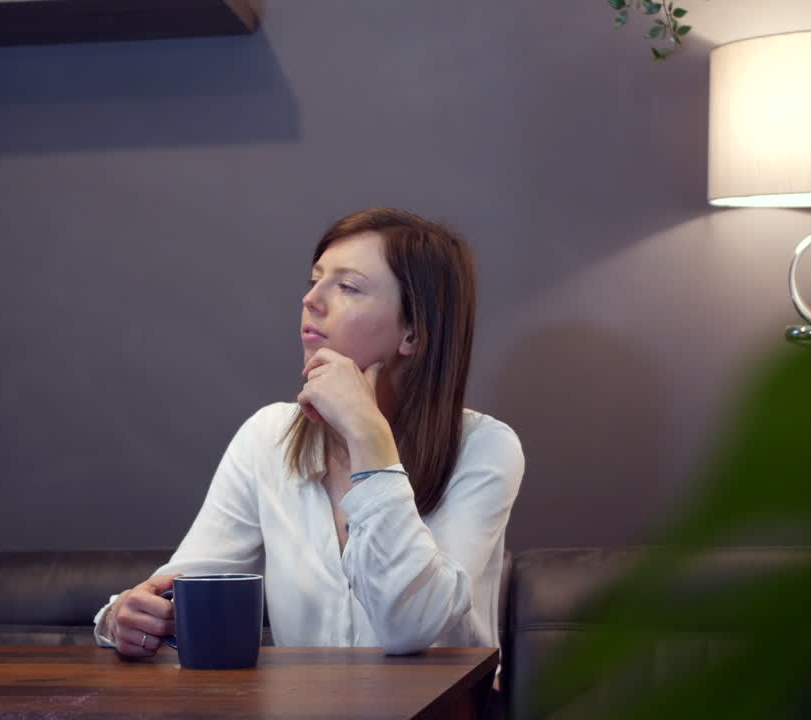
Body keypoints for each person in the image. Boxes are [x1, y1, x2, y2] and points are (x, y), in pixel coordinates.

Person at [94, 208, 524, 656]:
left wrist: (365, 432)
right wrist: (123, 617)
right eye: (314, 281)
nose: (312, 299)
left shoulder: (485, 447)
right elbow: (180, 587)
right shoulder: (268, 436)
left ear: (413, 333)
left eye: (348, 287)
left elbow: (410, 627)